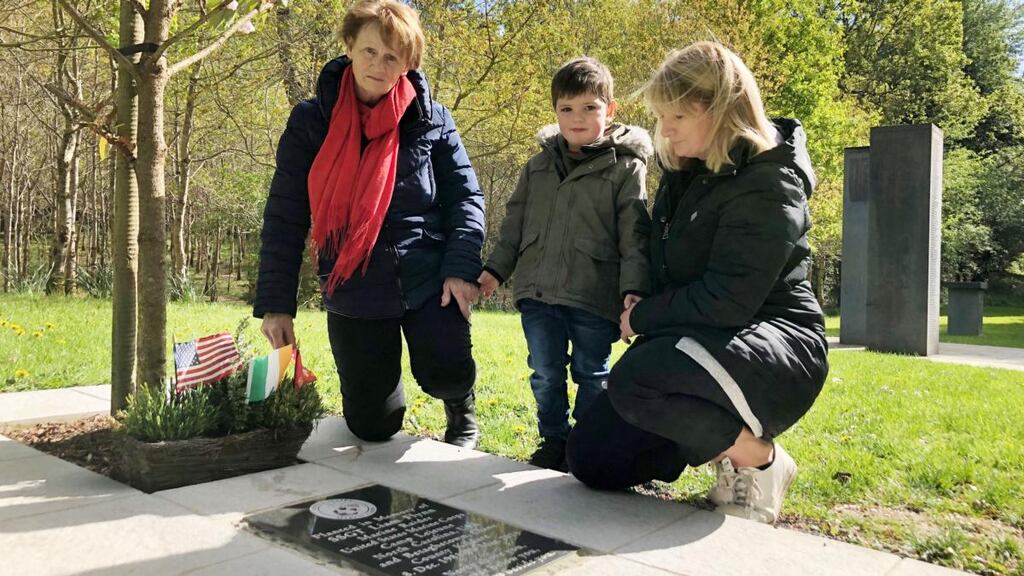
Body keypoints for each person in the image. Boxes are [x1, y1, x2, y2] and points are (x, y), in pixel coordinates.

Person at [565, 41, 829, 524]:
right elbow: (668, 261)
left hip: (778, 346)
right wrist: (636, 289)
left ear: (718, 109)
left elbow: (728, 300)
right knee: (591, 457)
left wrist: (642, 318)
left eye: (676, 118)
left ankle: (760, 460)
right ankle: (709, 440)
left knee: (636, 381)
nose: (664, 129)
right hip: (704, 341)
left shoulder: (771, 182)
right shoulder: (688, 173)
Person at [254, 0, 485, 449]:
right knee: (373, 427)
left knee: (446, 372)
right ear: (349, 48)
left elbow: (466, 197)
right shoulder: (311, 121)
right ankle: (380, 395)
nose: (379, 66)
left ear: (408, 63)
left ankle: (461, 405)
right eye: (369, 52)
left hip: (427, 276)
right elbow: (284, 215)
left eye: (392, 57)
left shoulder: (430, 118)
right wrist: (275, 304)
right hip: (354, 283)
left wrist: (459, 269)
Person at [478, 57, 652, 471]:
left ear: (609, 110)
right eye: (567, 109)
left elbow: (635, 234)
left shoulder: (626, 167)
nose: (577, 118)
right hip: (538, 291)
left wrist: (635, 289)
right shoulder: (537, 166)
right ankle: (553, 441)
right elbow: (514, 225)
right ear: (555, 112)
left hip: (593, 292)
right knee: (544, 371)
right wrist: (495, 269)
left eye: (590, 108)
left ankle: (587, 444)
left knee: (592, 373)